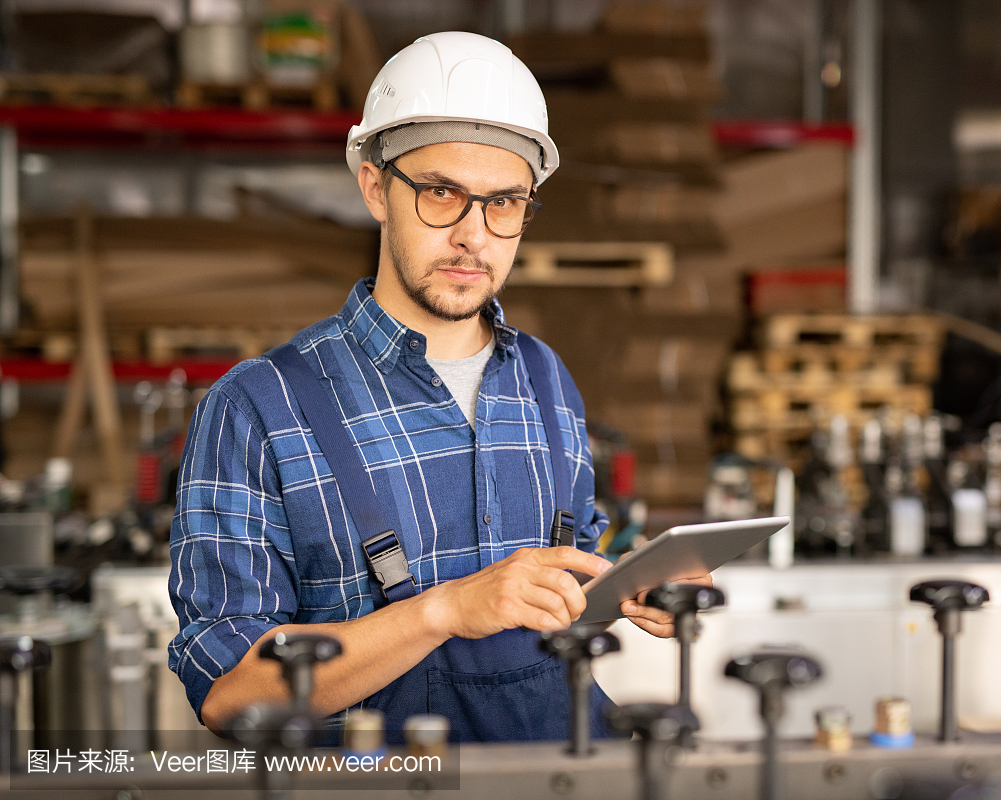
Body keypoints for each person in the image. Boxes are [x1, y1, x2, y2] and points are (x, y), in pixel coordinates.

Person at [167, 31, 709, 743]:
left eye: (505, 203)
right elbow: (231, 696)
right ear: (375, 187)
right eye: (441, 193)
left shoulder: (544, 381)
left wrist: (629, 588)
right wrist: (442, 611)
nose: (474, 236)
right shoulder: (257, 409)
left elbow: (560, 587)